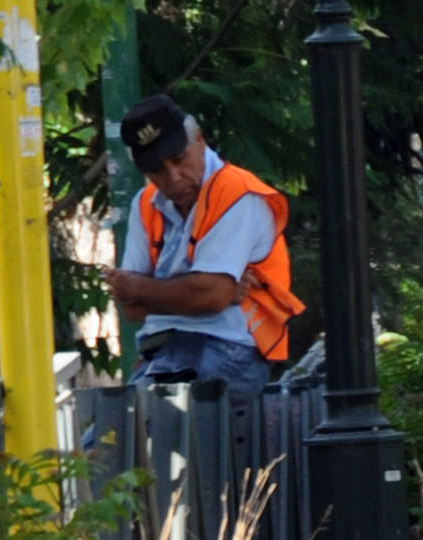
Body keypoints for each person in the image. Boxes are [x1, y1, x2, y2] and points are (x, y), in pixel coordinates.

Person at [107, 95, 303, 392]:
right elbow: (132, 309)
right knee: (115, 421)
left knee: (153, 416)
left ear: (199, 139)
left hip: (230, 349)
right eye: (157, 170)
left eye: (179, 159)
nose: (173, 177)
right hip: (162, 352)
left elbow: (208, 295)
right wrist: (204, 292)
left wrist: (140, 287)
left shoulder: (237, 192)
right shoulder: (145, 203)